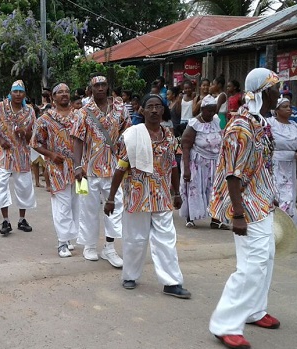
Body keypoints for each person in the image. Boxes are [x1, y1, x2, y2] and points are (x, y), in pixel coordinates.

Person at [209, 68, 282, 349]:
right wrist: (237, 214)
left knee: (266, 258)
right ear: (262, 92)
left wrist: (271, 195)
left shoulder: (260, 121)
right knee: (251, 264)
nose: (280, 94)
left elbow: (262, 164)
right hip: (245, 204)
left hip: (260, 200)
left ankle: (254, 310)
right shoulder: (240, 127)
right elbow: (232, 173)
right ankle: (225, 324)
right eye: (276, 89)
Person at [104, 94, 191, 298]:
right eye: (149, 107)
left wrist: (176, 192)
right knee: (135, 239)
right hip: (137, 195)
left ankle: (171, 282)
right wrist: (111, 198)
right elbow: (121, 167)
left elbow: (173, 165)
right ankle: (130, 276)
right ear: (142, 110)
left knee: (166, 240)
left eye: (157, 107)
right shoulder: (132, 135)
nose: (154, 110)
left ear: (163, 110)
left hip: (162, 196)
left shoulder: (169, 135)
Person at [72, 74, 131, 267]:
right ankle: (89, 246)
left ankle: (109, 247)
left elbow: (127, 133)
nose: (100, 88)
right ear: (90, 89)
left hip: (114, 169)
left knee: (116, 206)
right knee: (86, 208)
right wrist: (77, 166)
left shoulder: (120, 109)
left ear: (108, 87)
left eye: (103, 85)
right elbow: (77, 138)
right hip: (86, 171)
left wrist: (125, 158)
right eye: (96, 85)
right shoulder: (83, 111)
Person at [31, 83, 80, 256]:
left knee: (76, 203)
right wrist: (51, 155)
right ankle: (62, 242)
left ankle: (69, 237)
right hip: (57, 167)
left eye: (67, 91)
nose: (64, 94)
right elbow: (35, 143)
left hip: (79, 167)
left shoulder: (79, 117)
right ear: (53, 97)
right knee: (62, 203)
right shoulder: (45, 119)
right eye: (60, 92)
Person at [0, 80, 37, 235]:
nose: (18, 94)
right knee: (2, 186)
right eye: (15, 91)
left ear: (24, 94)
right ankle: (5, 220)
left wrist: (24, 132)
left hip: (22, 154)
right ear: (10, 92)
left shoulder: (29, 111)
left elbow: (33, 133)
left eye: (21, 91)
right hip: (3, 153)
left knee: (24, 186)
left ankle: (22, 219)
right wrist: (0, 140)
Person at [180, 95, 223, 229]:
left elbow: (223, 96)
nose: (211, 113)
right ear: (202, 109)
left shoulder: (215, 120)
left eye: (214, 110)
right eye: (209, 110)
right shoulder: (194, 124)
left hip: (213, 162)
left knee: (215, 190)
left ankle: (216, 220)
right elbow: (185, 146)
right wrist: (186, 169)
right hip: (197, 163)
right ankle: (190, 218)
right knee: (194, 189)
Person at [267, 97, 297, 226]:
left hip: (290, 165)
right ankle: (275, 223)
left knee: (289, 193)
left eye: (289, 106)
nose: (289, 109)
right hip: (275, 164)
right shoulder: (270, 124)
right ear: (277, 110)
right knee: (277, 193)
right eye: (285, 107)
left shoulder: (295, 126)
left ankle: (287, 224)